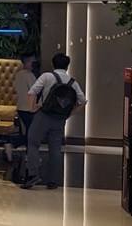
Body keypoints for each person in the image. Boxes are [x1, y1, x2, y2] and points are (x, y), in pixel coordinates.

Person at [21, 53, 87, 190]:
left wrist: (32, 109)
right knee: (55, 149)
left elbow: (32, 92)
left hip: (43, 115)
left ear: (53, 64)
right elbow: (83, 101)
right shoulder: (72, 82)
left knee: (33, 143)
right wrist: (69, 114)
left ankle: (33, 175)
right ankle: (53, 180)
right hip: (60, 119)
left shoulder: (47, 76)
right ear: (67, 66)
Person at [14, 54, 38, 146]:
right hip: (29, 108)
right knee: (30, 131)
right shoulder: (29, 75)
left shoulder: (18, 74)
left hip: (20, 106)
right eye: (33, 62)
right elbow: (34, 91)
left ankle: (13, 145)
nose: (34, 64)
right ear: (27, 62)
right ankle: (28, 151)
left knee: (26, 129)